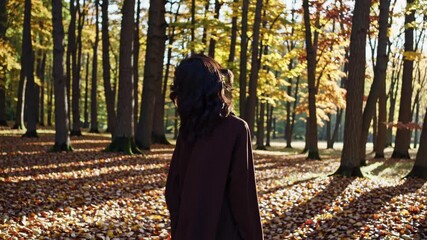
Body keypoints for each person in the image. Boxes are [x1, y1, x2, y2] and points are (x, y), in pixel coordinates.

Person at [165, 54, 264, 240]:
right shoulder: (235, 129)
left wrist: (182, 227)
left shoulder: (189, 130)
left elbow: (173, 190)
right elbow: (243, 198)